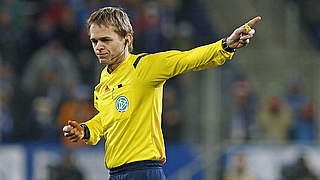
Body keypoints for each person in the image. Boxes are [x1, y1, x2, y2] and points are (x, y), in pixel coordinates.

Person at [62, 7, 261, 180]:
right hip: (116, 173)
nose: (98, 47)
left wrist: (225, 45)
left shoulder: (145, 67)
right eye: (94, 41)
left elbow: (188, 59)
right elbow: (106, 119)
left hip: (143, 171)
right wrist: (85, 130)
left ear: (126, 39)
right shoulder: (104, 79)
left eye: (105, 40)